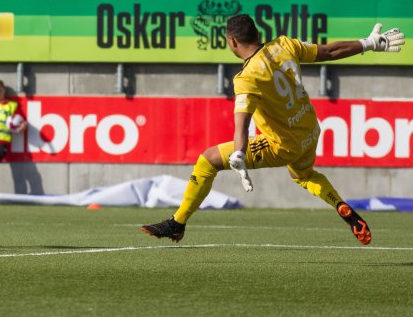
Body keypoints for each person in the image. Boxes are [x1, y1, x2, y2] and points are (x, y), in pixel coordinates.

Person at [141, 14, 406, 246]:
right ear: (257, 34)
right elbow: (330, 52)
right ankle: (339, 204)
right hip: (310, 129)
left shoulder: (246, 78)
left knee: (207, 160)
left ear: (232, 42)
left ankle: (178, 222)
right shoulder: (284, 45)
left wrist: (238, 154)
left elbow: (242, 123)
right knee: (304, 175)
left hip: (282, 145)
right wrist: (370, 43)